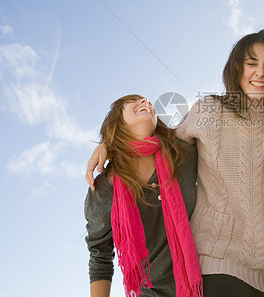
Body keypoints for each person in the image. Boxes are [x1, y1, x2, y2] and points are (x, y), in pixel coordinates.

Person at [86, 30, 264, 296]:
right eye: (251, 63)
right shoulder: (207, 110)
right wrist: (108, 144)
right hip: (213, 265)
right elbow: (162, 138)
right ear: (236, 68)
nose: (260, 73)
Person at [84, 94, 202, 297]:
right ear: (116, 120)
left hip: (205, 282)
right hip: (150, 293)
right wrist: (109, 144)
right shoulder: (104, 187)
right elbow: (99, 255)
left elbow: (209, 120)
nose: (145, 101)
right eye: (134, 100)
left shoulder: (182, 152)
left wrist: (108, 145)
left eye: (147, 101)